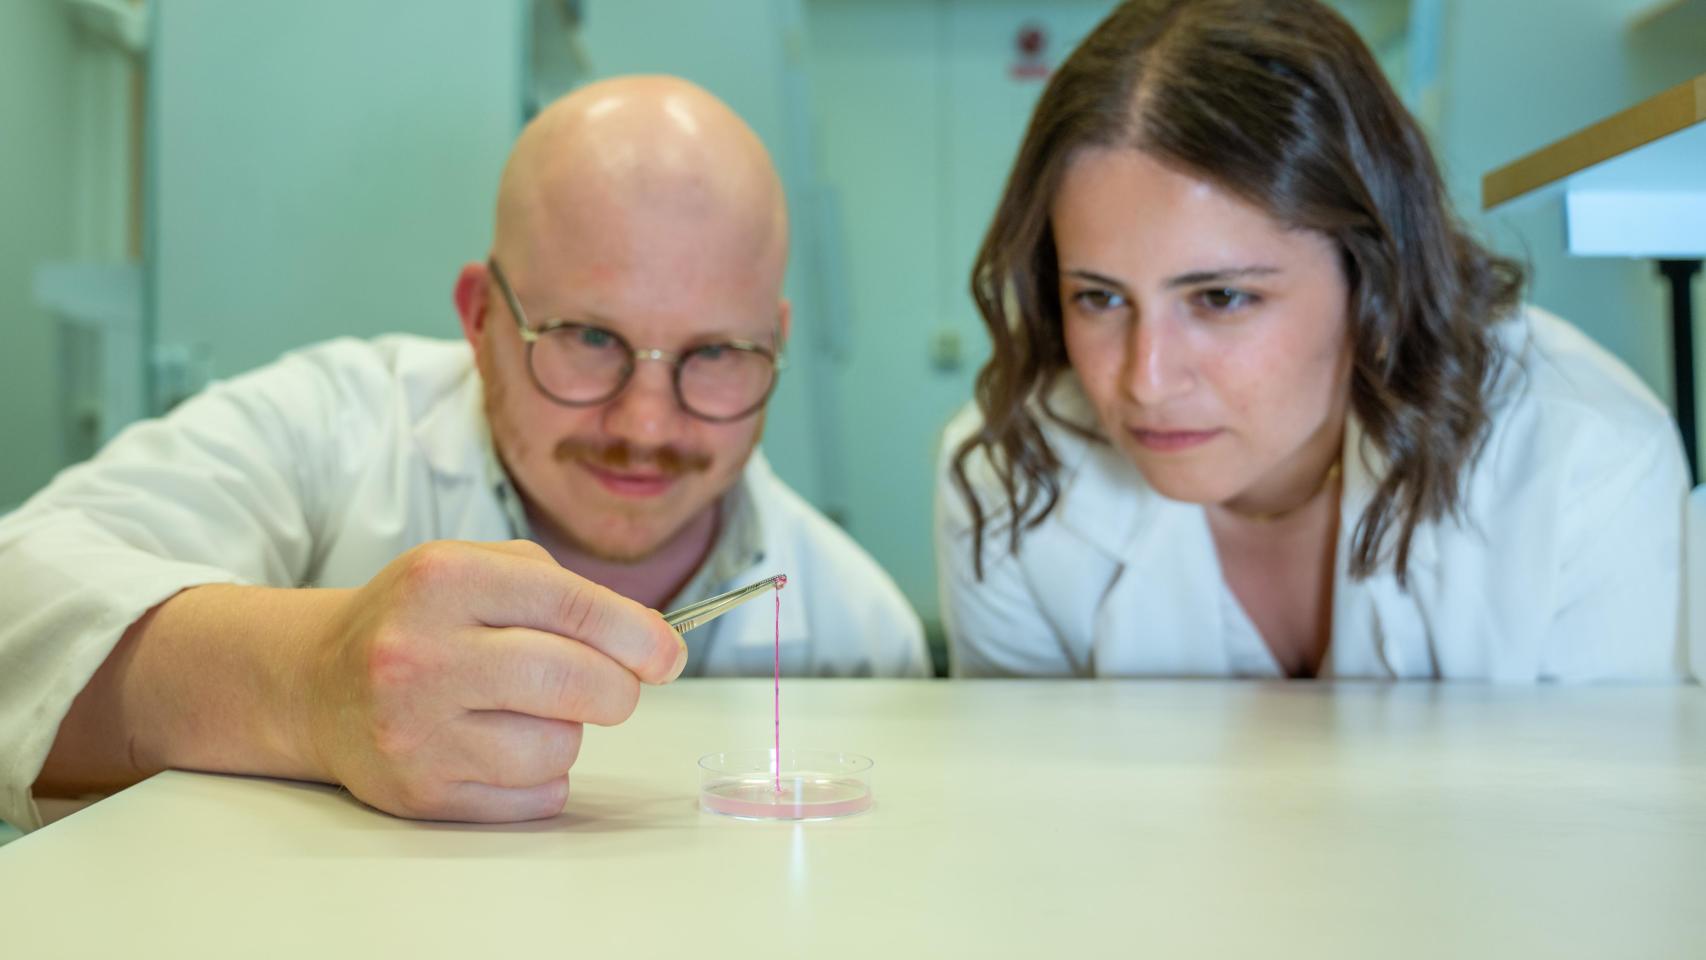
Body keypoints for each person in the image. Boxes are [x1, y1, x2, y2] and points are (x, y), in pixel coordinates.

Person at [0, 76, 926, 831]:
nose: (646, 426)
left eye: (717, 353)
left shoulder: (860, 634)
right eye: (588, 338)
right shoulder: (334, 429)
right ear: (481, 318)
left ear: (776, 342)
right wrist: (313, 685)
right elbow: (20, 594)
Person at [937, 0, 1691, 681]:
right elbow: (1032, 794)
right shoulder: (1010, 478)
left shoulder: (1579, 464)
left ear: (1375, 274)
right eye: (1099, 297)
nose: (1147, 380)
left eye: (1221, 297)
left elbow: (1597, 795)